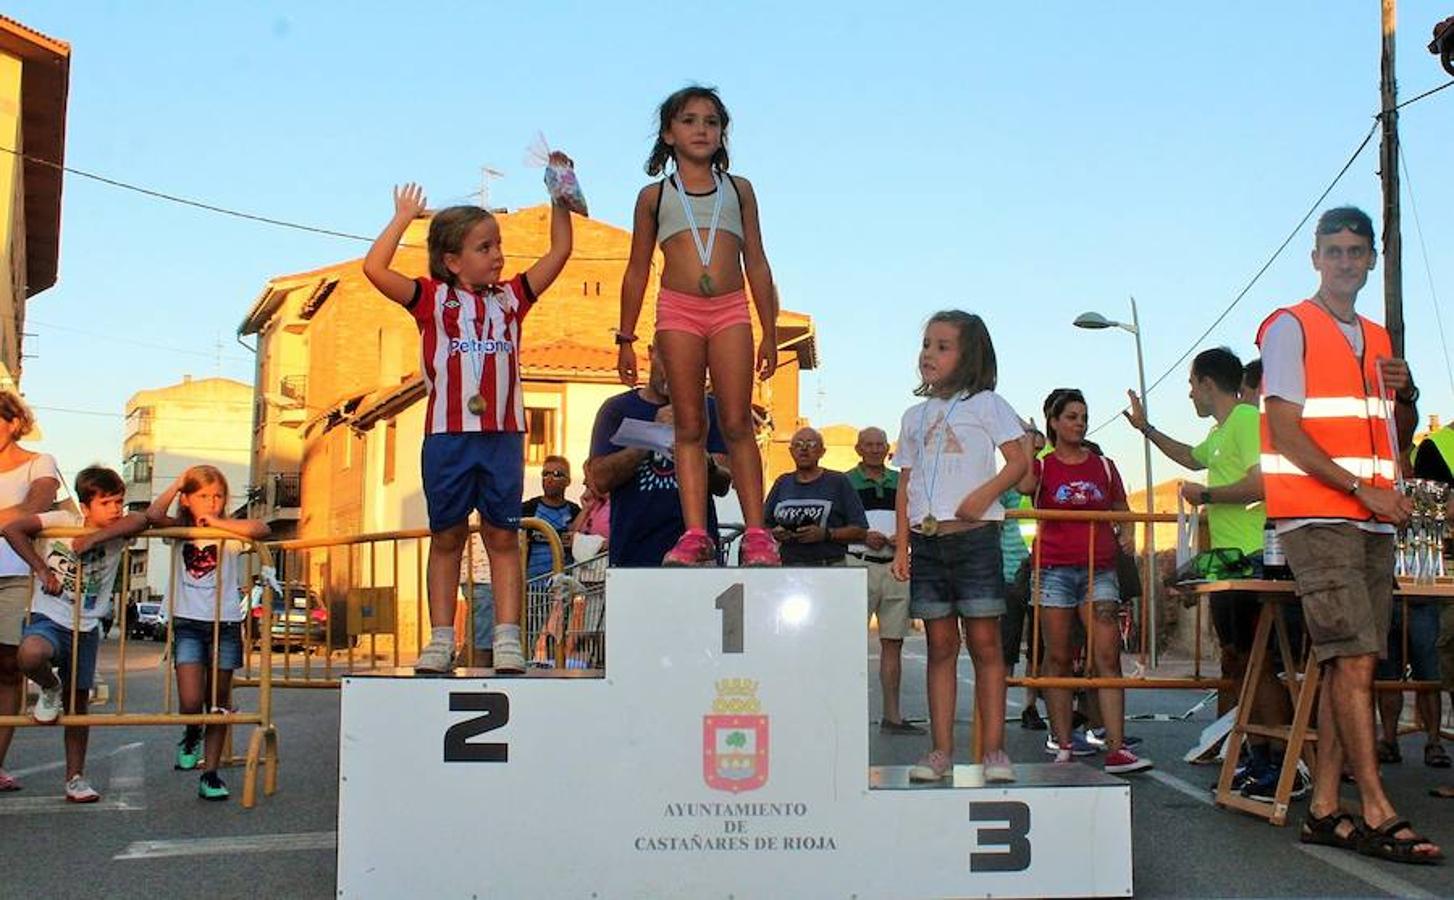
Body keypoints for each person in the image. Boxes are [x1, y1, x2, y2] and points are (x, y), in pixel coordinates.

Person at [1260, 206, 1441, 862]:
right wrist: (1360, 489)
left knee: (1346, 659)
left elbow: (1392, 424)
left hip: (1371, 517)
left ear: (1371, 260)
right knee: (1358, 656)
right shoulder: (1290, 328)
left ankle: (1327, 806)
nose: (1344, 261)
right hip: (1318, 514)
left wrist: (1406, 393)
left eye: (1355, 251)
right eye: (1332, 250)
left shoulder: (1378, 335)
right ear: (1315, 258)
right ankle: (1377, 808)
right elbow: (1284, 430)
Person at [362, 171, 574, 674]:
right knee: (448, 537)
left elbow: (560, 253)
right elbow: (374, 268)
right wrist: (403, 220)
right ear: (453, 261)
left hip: (502, 436)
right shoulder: (431, 299)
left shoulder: (512, 299)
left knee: (503, 537)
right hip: (448, 436)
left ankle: (506, 637)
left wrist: (559, 197)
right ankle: (440, 638)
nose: (497, 255)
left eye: (498, 244)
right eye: (484, 247)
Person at [616, 86, 779, 567]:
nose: (701, 129)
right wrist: (625, 338)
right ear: (669, 133)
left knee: (736, 423)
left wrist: (769, 329)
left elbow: (758, 263)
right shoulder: (653, 196)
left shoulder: (739, 189)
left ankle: (756, 533)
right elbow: (637, 269)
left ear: (722, 133)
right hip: (678, 310)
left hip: (730, 309)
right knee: (689, 424)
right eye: (689, 120)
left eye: (711, 121)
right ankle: (693, 534)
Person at [1125, 348, 1294, 796]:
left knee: (1262, 665)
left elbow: (1262, 483)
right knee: (1239, 662)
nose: (1189, 393)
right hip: (1229, 564)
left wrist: (1209, 496)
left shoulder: (1245, 421)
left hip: (1258, 559)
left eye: (1190, 384)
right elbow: (1191, 456)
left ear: (1206, 383)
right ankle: (1258, 756)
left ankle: (1285, 762)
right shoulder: (1220, 432)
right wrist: (1146, 429)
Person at [891, 311, 1028, 784]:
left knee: (987, 645)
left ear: (968, 357)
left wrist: (983, 496)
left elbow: (1020, 460)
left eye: (943, 346)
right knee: (940, 646)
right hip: (930, 543)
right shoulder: (914, 416)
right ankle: (940, 751)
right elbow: (905, 481)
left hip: (975, 539)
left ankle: (994, 751)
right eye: (926, 344)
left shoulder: (987, 404)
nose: (929, 353)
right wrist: (901, 546)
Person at [1019, 389, 1153, 774]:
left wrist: (1127, 535)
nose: (1079, 423)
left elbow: (1120, 509)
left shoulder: (1105, 466)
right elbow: (1024, 489)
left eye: (1083, 416)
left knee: (1107, 657)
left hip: (1100, 571)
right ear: (1055, 422)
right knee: (1058, 657)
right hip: (1053, 571)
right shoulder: (1043, 467)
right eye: (1071, 416)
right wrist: (1030, 448)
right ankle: (1062, 744)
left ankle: (1116, 747)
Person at [0, 467, 147, 803]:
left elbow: (144, 519)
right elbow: (12, 528)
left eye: (119, 502)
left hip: (86, 626)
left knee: (79, 706)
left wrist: (95, 538)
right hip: (49, 617)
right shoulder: (60, 521)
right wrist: (40, 567)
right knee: (30, 654)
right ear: (85, 507)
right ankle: (51, 688)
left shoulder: (120, 531)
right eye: (107, 502)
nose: (116, 509)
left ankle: (75, 777)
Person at [147, 466, 269, 801]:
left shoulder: (229, 535)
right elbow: (154, 515)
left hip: (225, 625)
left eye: (217, 496)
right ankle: (191, 731)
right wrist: (178, 482)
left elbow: (261, 528)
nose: (211, 502)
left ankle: (211, 773)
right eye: (203, 496)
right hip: (187, 623)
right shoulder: (180, 531)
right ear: (187, 499)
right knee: (190, 702)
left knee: (218, 701)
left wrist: (217, 523)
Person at [589, 343, 732, 567]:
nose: (674, 372)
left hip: (698, 560)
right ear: (651, 353)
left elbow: (723, 484)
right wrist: (652, 434)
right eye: (667, 361)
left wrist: (703, 461)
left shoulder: (709, 409)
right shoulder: (617, 409)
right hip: (633, 556)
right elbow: (599, 480)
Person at [0, 391, 62, 791]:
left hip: (16, 575)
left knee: (7, 669)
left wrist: (16, 515)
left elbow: (33, 510)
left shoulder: (40, 463)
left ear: (14, 422)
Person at [845, 427, 923, 736]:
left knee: (894, 643)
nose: (875, 449)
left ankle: (893, 715)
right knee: (849, 645)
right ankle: (848, 714)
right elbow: (837, 524)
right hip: (857, 564)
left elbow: (916, 518)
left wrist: (902, 542)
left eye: (880, 444)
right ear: (858, 448)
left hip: (895, 566)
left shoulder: (903, 482)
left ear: (887, 448)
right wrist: (863, 535)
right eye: (869, 444)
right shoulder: (845, 483)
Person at [765, 428, 867, 567]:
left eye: (811, 444)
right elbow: (764, 525)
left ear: (822, 452)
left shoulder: (838, 481)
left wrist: (826, 534)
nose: (804, 449)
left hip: (830, 566)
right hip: (788, 566)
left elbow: (860, 530)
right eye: (798, 444)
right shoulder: (782, 482)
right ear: (791, 451)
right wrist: (776, 533)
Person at [521, 456, 581, 581]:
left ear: (568, 481)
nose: (549, 479)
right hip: (532, 588)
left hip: (563, 586)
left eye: (556, 474)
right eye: (545, 474)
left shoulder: (575, 511)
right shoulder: (529, 509)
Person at [459, 515, 493, 669]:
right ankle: (477, 673)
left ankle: (462, 668)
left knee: (476, 636)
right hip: (482, 576)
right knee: (483, 641)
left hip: (478, 575)